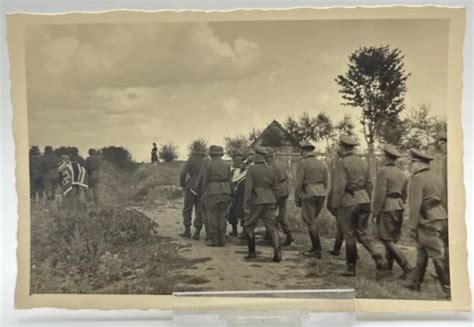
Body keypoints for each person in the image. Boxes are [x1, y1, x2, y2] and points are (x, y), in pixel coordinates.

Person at [330, 135, 388, 277]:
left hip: (349, 202)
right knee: (363, 233)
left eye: (339, 147)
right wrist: (366, 198)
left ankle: (350, 268)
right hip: (364, 200)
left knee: (349, 234)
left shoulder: (342, 163)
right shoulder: (363, 162)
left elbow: (339, 187)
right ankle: (377, 255)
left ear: (343, 148)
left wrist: (335, 206)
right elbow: (370, 184)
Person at [404, 149, 450, 296]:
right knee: (422, 250)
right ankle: (414, 283)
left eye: (412, 163)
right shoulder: (436, 178)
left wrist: (412, 226)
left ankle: (448, 288)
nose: (410, 166)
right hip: (440, 217)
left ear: (418, 164)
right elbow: (442, 199)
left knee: (436, 254)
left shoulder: (417, 179)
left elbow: (415, 205)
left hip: (426, 220)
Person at [371, 144, 413, 278]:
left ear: (386, 157)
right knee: (392, 239)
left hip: (387, 207)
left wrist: (375, 212)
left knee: (385, 238)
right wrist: (399, 203)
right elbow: (405, 193)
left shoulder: (383, 172)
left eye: (384, 156)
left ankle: (407, 266)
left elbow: (379, 195)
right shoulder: (402, 173)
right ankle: (387, 269)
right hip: (399, 207)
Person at [243, 146, 282, 262]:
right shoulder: (271, 169)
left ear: (257, 156)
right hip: (270, 199)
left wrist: (245, 203)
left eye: (255, 155)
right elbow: (276, 187)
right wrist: (274, 201)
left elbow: (248, 187)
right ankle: (277, 252)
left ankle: (252, 252)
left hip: (256, 200)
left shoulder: (251, 169)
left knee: (249, 225)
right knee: (272, 227)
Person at [294, 144, 328, 257]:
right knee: (312, 219)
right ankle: (315, 248)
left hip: (309, 193)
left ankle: (317, 249)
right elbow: (326, 182)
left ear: (304, 152)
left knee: (310, 221)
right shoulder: (322, 164)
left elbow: (299, 183)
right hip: (321, 193)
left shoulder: (303, 163)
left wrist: (297, 196)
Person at [202, 145, 232, 246]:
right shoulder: (227, 164)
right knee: (223, 216)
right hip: (225, 191)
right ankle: (222, 239)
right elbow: (229, 179)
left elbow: (205, 179)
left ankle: (214, 239)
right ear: (221, 154)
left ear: (211, 154)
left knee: (212, 216)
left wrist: (203, 191)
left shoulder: (208, 164)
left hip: (212, 191)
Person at [264, 148, 293, 246]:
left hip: (276, 191)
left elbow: (269, 181)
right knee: (282, 214)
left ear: (268, 157)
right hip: (285, 190)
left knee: (271, 214)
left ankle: (273, 236)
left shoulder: (269, 166)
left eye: (266, 157)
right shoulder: (281, 163)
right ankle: (289, 234)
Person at [179, 148, 206, 238]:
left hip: (190, 186)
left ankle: (187, 230)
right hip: (202, 187)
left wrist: (183, 185)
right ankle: (197, 232)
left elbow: (183, 174)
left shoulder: (191, 160)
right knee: (199, 210)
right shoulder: (206, 162)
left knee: (187, 209)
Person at [327, 147, 345, 256]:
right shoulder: (338, 165)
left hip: (341, 198)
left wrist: (334, 202)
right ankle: (337, 248)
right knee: (342, 226)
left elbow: (337, 186)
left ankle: (352, 252)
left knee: (343, 226)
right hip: (346, 198)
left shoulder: (340, 165)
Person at [228, 149, 246, 237]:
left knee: (243, 212)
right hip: (232, 194)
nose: (235, 159)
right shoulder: (231, 169)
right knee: (231, 212)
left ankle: (244, 232)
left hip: (242, 194)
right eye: (234, 157)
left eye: (238, 157)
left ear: (241, 158)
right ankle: (234, 230)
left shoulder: (245, 169)